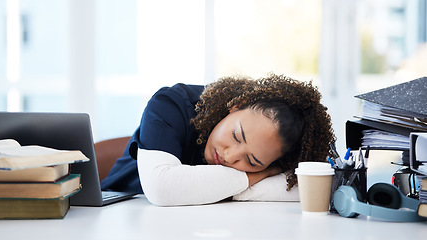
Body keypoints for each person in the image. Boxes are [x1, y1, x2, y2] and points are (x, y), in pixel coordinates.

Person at [101, 73, 335, 206]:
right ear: (236, 106)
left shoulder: (286, 152)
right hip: (119, 214)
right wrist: (258, 175)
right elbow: (163, 189)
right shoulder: (171, 104)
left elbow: (325, 185)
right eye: (236, 135)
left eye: (252, 161)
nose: (229, 156)